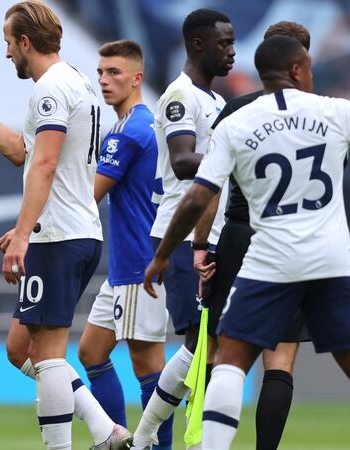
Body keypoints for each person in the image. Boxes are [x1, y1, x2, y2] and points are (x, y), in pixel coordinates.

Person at [143, 34, 350, 450]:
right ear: (296, 69)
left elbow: (199, 196)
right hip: (331, 257)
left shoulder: (237, 122)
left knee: (230, 362)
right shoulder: (336, 112)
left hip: (269, 258)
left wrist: (164, 254)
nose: (311, 73)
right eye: (307, 66)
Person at [0, 2, 131, 449]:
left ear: (26, 42)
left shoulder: (50, 89)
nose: (7, 53)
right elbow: (22, 152)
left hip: (58, 235)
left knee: (48, 355)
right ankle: (105, 430)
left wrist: (25, 232)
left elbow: (45, 164)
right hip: (75, 230)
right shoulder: (78, 83)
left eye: (9, 43)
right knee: (20, 349)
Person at [190, 21, 313, 450]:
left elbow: (210, 188)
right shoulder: (326, 115)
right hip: (297, 242)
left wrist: (202, 246)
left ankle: (210, 445)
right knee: (280, 359)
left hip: (242, 236)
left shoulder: (237, 110)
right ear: (303, 62)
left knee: (225, 354)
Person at [130, 9, 234, 450]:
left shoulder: (218, 103)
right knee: (200, 347)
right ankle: (148, 436)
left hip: (215, 232)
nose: (232, 52)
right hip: (183, 233)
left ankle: (157, 437)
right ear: (197, 45)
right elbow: (181, 158)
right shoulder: (179, 97)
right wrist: (236, 154)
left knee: (210, 347)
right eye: (224, 44)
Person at [77, 39, 174, 450]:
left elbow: (89, 195)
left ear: (138, 77)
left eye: (114, 72)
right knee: (91, 351)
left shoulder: (128, 132)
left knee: (148, 367)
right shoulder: (144, 123)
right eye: (100, 72)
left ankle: (158, 446)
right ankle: (117, 438)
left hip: (139, 264)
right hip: (126, 266)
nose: (104, 80)